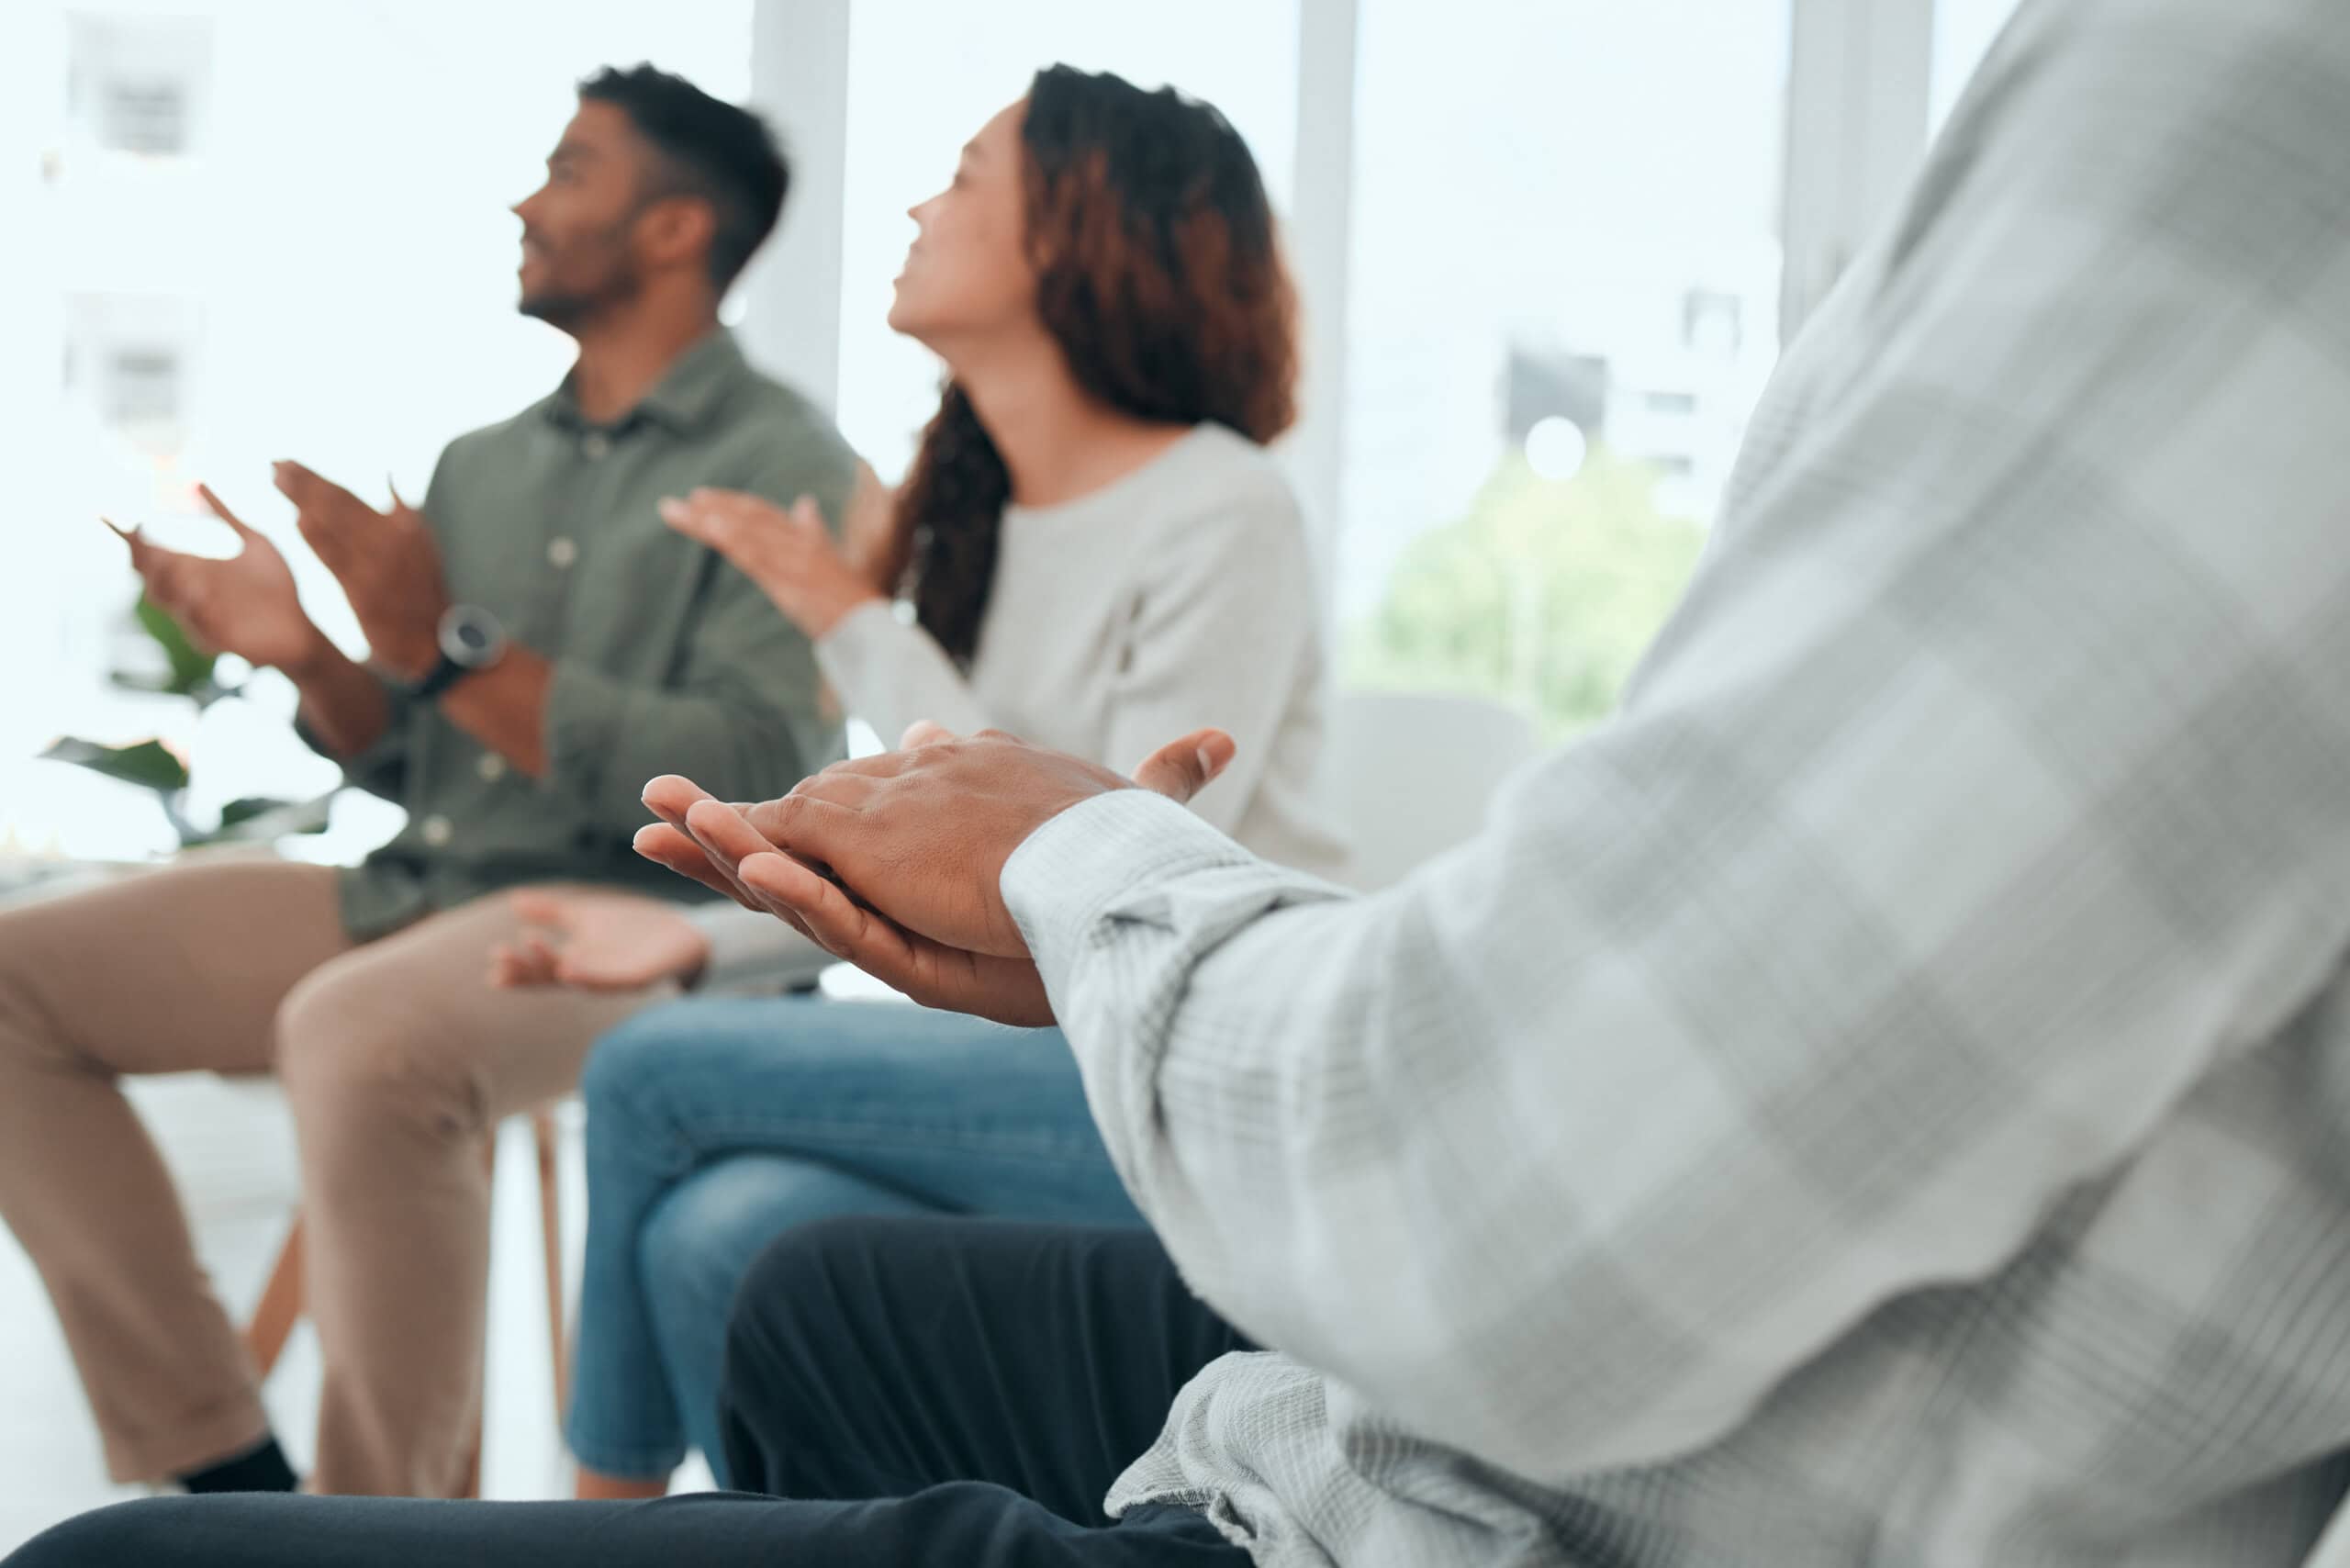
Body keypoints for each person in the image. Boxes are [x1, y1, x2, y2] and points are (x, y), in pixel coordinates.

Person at [28, 0, 2350, 1561]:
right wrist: (399, 677)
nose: (923, 197)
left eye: (964, 168)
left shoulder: (1129, 500)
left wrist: (877, 831)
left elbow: (1053, 825)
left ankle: (503, 1503)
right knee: (758, 1257)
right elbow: (934, 823)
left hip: (1194, 1044)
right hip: (1031, 999)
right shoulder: (920, 514)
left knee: (634, 1107)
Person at [490, 64, 1348, 1497]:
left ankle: (598, 1533)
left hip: (1182, 1084)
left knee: (645, 1068)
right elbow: (932, 865)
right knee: (730, 1229)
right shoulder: (970, 519)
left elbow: (1077, 865)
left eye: (960, 180)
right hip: (1018, 1060)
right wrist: (697, 933)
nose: (912, 205)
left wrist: (855, 625)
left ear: (1081, 229)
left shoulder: (1220, 505)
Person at [0, 65, 855, 1500]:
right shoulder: (484, 463)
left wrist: (449, 649)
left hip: (631, 930)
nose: (528, 199)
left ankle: (383, 1533)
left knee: (360, 1036)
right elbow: (409, 750)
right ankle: (225, 1476)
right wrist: (311, 659)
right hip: (425, 888)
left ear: (673, 229)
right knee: (14, 976)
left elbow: (760, 772)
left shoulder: (789, 465)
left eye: (572, 170)